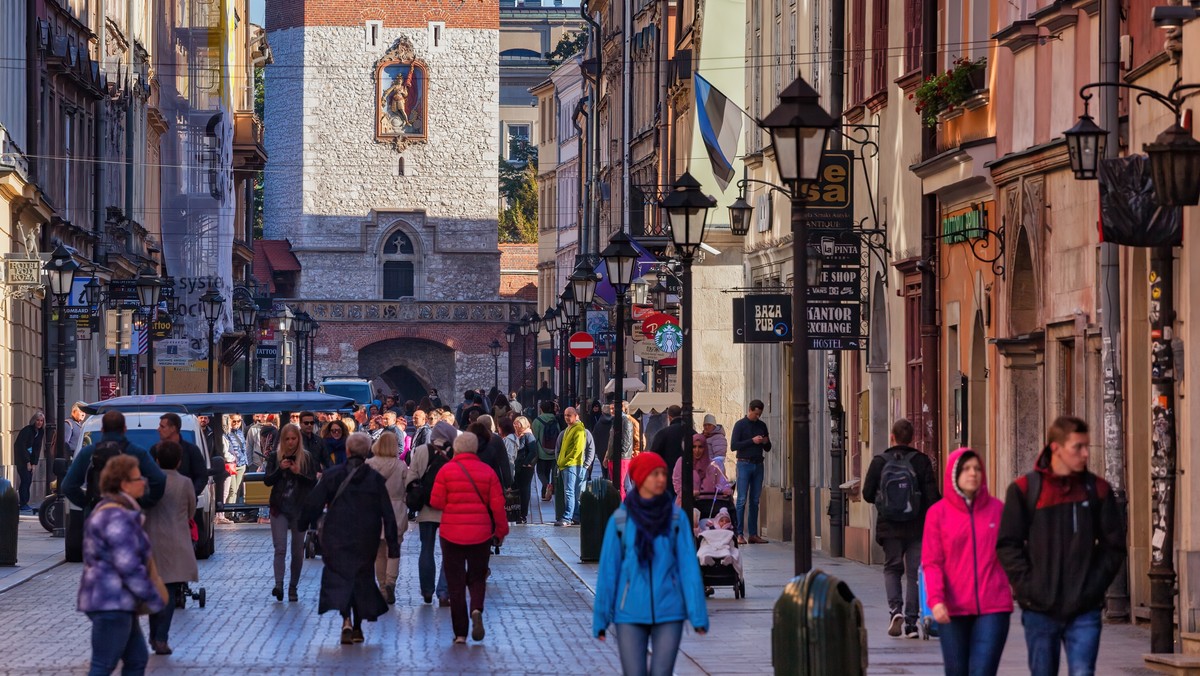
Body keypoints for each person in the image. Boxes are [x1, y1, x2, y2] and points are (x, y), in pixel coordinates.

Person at [996, 416, 1126, 676]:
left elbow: (1114, 545)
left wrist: (1093, 586)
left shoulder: (1097, 490)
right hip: (1039, 608)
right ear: (1056, 448)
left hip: (1085, 609)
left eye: (1087, 446)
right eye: (1078, 447)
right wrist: (1028, 587)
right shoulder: (1024, 490)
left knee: (1082, 671)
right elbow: (1008, 544)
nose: (1086, 453)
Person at [593, 452, 709, 676]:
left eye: (663, 474)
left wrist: (697, 615)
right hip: (629, 613)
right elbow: (608, 572)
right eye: (654, 474)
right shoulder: (620, 520)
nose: (661, 480)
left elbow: (688, 568)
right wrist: (601, 618)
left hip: (670, 611)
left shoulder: (676, 519)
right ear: (640, 478)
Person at [301, 432, 399, 645]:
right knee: (362, 578)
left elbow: (313, 503)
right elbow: (387, 513)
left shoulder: (333, 475)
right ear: (367, 452)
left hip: (337, 535)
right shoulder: (374, 479)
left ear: (347, 450)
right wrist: (392, 544)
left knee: (342, 576)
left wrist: (306, 524)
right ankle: (356, 627)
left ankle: (346, 620)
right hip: (366, 536)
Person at [922, 448, 1012, 675]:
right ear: (954, 474)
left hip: (993, 606)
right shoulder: (937, 514)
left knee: (983, 671)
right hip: (952, 609)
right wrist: (936, 600)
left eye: (977, 468)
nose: (973, 473)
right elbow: (932, 562)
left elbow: (1012, 553)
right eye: (966, 469)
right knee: (956, 671)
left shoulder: (998, 510)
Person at [77, 454, 165, 675]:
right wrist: (154, 597)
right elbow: (127, 564)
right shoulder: (116, 516)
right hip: (111, 601)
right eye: (138, 478)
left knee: (136, 659)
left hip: (117, 601)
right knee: (103, 664)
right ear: (124, 484)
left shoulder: (115, 511)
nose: (144, 481)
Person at [429, 432, 510, 644]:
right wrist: (500, 532)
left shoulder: (446, 471)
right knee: (477, 577)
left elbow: (436, 502)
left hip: (451, 533)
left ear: (456, 448)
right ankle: (476, 608)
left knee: (455, 584)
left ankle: (460, 633)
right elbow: (498, 507)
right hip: (480, 534)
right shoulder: (488, 472)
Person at [862, 418, 940, 639]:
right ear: (912, 437)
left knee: (892, 568)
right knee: (914, 573)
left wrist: (883, 502)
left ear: (892, 437)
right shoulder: (921, 461)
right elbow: (933, 498)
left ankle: (895, 610)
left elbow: (867, 494)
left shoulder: (879, 461)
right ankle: (912, 623)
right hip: (917, 527)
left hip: (889, 527)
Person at [142, 441, 199, 656]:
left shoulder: (149, 482)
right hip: (177, 542)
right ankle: (161, 638)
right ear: (179, 461)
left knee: (155, 591)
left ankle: (154, 633)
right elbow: (191, 510)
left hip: (152, 540)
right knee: (170, 593)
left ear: (156, 460)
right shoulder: (185, 483)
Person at [63, 411, 166, 515]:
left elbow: (68, 486)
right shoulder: (136, 452)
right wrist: (144, 502)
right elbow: (159, 479)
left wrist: (87, 503)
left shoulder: (88, 453)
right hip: (128, 513)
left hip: (98, 514)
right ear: (124, 429)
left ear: (102, 430)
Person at [264, 423, 317, 602]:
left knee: (297, 551)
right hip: (279, 507)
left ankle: (293, 587)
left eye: (294, 439)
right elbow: (267, 481)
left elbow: (312, 482)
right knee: (280, 548)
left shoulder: (307, 457)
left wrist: (297, 472)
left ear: (298, 439)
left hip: (300, 508)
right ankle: (279, 585)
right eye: (287, 439)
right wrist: (281, 469)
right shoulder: (274, 456)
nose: (291, 442)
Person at [406, 421, 457, 605]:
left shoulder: (420, 451)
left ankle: (427, 590)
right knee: (449, 553)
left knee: (426, 549)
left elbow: (411, 479)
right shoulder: (455, 453)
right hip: (449, 510)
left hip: (426, 509)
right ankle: (444, 592)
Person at [366, 431, 408, 605]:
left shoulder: (368, 464)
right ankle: (391, 581)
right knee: (393, 550)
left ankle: (383, 587)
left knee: (378, 554)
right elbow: (407, 488)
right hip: (396, 510)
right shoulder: (401, 466)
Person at [729, 400, 773, 545]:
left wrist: (765, 441)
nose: (757, 417)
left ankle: (753, 534)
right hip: (744, 463)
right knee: (741, 500)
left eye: (759, 414)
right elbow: (734, 446)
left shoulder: (762, 425)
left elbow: (768, 448)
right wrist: (752, 441)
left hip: (758, 464)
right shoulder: (740, 425)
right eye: (755, 414)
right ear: (750, 410)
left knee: (755, 500)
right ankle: (739, 533)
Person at [150, 413, 208, 497]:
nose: (158, 429)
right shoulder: (155, 450)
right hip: (160, 503)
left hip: (185, 504)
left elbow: (201, 476)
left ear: (173, 428)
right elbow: (149, 475)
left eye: (162, 427)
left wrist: (191, 494)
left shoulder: (191, 450)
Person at [555, 407, 595, 527]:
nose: (567, 417)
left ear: (576, 416)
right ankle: (576, 516)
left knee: (570, 492)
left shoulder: (579, 430)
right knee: (575, 492)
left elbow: (578, 450)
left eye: (569, 415)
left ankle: (567, 517)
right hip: (570, 465)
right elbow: (559, 448)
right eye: (565, 415)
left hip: (573, 465)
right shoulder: (568, 430)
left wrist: (585, 464)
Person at [672, 434, 731, 511]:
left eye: (700, 447)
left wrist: (726, 490)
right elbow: (677, 482)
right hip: (687, 505)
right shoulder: (683, 462)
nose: (697, 450)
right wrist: (688, 493)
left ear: (705, 448)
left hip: (709, 507)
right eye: (694, 447)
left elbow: (722, 481)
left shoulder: (712, 465)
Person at [648, 406, 691, 501]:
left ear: (669, 417)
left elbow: (653, 456)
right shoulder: (691, 433)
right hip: (687, 478)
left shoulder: (663, 433)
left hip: (667, 479)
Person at [14, 411, 46, 512]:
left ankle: (24, 502)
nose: (39, 423)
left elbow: (37, 448)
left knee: (28, 481)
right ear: (34, 420)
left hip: (30, 460)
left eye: (41, 421)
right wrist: (27, 462)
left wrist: (34, 463)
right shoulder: (27, 430)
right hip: (22, 459)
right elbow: (21, 446)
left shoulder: (40, 432)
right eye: (37, 420)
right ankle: (23, 503)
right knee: (25, 480)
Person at [472, 416, 513, 489]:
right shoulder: (497, 439)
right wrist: (507, 483)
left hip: (474, 476)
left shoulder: (471, 439)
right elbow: (504, 462)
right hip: (494, 476)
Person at [531, 401, 560, 502]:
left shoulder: (537, 421)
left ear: (541, 409)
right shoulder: (555, 420)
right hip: (554, 451)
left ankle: (546, 486)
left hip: (542, 452)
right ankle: (547, 491)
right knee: (550, 471)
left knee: (540, 472)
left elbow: (534, 438)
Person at [512, 416, 538, 523]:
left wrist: (525, 463)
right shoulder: (519, 436)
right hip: (519, 467)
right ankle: (517, 513)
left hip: (525, 469)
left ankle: (523, 514)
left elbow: (533, 451)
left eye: (517, 424)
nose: (515, 425)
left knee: (524, 490)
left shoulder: (528, 435)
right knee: (519, 489)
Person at [222, 414, 248, 506]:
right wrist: (233, 458)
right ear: (230, 421)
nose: (237, 423)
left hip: (242, 464)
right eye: (234, 421)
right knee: (232, 489)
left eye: (239, 421)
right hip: (231, 465)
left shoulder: (241, 432)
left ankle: (233, 511)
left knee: (237, 489)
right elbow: (225, 450)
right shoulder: (226, 433)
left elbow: (244, 448)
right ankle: (229, 512)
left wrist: (245, 462)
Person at [592, 404, 614, 480]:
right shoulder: (614, 422)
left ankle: (606, 486)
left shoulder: (598, 424)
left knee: (604, 472)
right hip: (612, 451)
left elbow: (594, 437)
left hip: (601, 452)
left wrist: (597, 451)